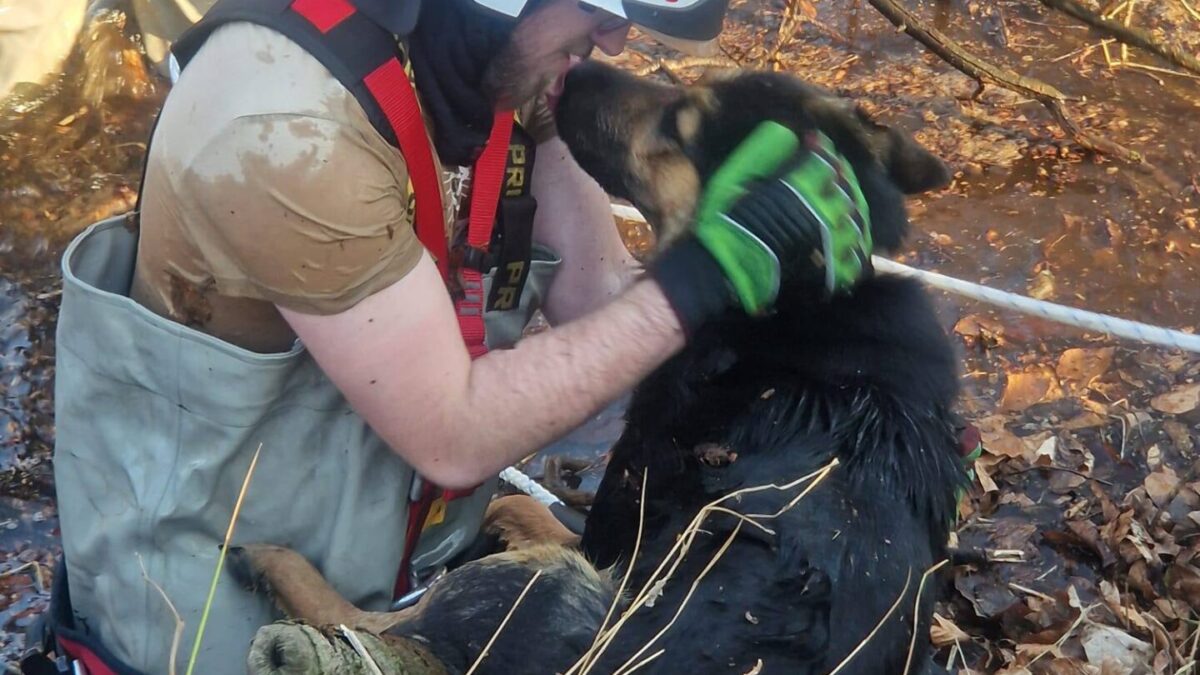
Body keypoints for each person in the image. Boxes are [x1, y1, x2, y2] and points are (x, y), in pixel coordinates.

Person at [40, 1, 876, 673]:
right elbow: (455, 433)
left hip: (408, 552)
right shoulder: (281, 121)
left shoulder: (503, 76)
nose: (617, 32)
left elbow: (603, 297)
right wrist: (705, 275)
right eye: (598, 3)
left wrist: (773, 265)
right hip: (216, 592)